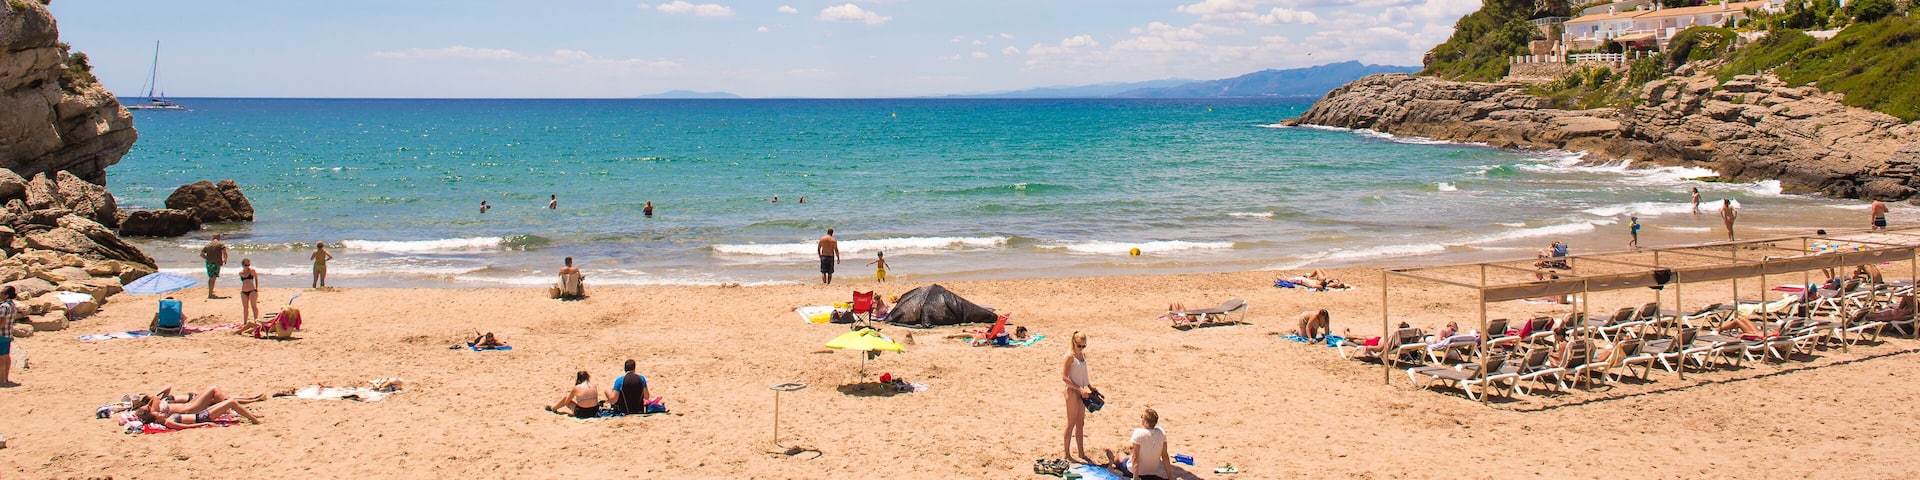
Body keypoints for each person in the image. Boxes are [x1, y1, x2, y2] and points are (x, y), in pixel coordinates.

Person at [1107, 408, 1172, 480]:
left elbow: (1135, 458)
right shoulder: (1161, 433)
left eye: (1142, 417)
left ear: (1146, 422)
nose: (1141, 419)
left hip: (1134, 472)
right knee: (1129, 457)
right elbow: (1165, 456)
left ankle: (1112, 462)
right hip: (1151, 472)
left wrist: (1135, 477)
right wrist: (1170, 477)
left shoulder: (1139, 433)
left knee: (1120, 456)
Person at [1062, 332, 1094, 462]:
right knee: (1071, 423)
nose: (1081, 348)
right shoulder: (1070, 356)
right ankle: (1067, 454)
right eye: (1079, 346)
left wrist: (1090, 387)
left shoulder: (1082, 355)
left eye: (1083, 346)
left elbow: (1083, 374)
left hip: (1082, 391)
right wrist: (1079, 388)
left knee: (1080, 423)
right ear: (1074, 343)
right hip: (1072, 391)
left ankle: (1081, 452)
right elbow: (1064, 377)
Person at [133, 398, 261, 427]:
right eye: (157, 414)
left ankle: (253, 416)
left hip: (202, 414)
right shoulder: (169, 421)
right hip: (204, 417)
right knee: (230, 402)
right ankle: (254, 419)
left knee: (228, 403)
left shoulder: (166, 418)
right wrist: (205, 425)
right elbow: (185, 427)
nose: (159, 413)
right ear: (156, 420)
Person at [201, 234, 229, 299]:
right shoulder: (220, 244)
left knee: (211, 277)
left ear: (212, 238)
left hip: (208, 263)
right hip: (216, 263)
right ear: (218, 237)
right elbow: (224, 253)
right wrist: (225, 260)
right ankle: (210, 294)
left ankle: (211, 291)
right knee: (213, 278)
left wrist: (208, 258)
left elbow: (202, 254)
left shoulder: (208, 245)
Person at [0, 286, 15, 387]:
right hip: (8, 333)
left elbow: (3, 320)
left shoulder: (4, 306)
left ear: (6, 295)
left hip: (1, 334)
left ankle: (1, 380)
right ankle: (5, 378)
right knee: (6, 355)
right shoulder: (12, 305)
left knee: (1, 357)